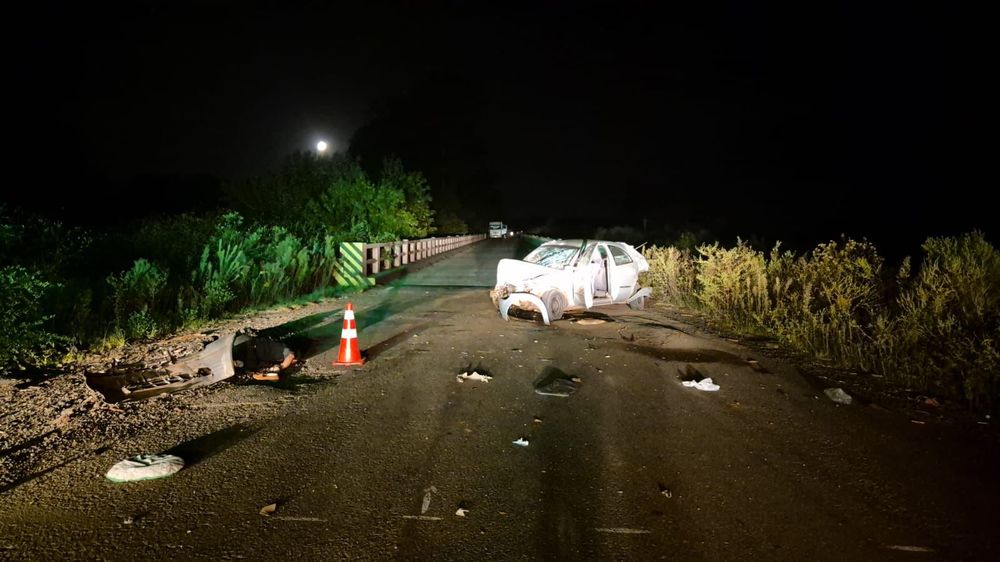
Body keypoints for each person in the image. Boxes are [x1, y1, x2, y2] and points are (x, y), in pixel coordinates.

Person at [232, 332, 298, 381]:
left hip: (262, 348)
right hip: (252, 350)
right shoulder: (250, 368)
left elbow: (291, 355)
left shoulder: (268, 349)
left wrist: (280, 367)